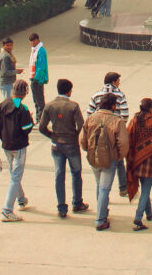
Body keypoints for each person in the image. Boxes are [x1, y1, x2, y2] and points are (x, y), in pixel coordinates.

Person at [38, 78, 88, 218]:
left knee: (59, 175)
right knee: (76, 173)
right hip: (71, 144)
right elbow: (81, 125)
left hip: (56, 145)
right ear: (68, 90)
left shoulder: (49, 106)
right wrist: (76, 137)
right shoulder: (73, 106)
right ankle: (77, 202)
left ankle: (61, 207)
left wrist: (52, 136)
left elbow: (42, 127)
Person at [80, 93, 129, 231]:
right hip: (109, 159)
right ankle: (100, 219)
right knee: (104, 188)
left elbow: (82, 139)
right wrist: (119, 156)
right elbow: (124, 143)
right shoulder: (117, 121)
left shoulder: (91, 118)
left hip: (94, 158)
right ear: (113, 106)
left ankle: (102, 212)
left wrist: (88, 150)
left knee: (99, 185)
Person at [0, 79, 34, 222]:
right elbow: (26, 129)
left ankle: (21, 199)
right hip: (19, 147)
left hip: (6, 146)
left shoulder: (2, 105)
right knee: (16, 176)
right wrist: (31, 121)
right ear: (24, 93)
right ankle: (7, 210)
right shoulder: (23, 109)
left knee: (14, 174)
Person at [86, 72, 129, 197]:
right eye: (118, 80)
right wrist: (118, 126)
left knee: (99, 160)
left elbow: (89, 114)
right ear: (114, 82)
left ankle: (101, 195)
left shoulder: (96, 95)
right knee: (119, 161)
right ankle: (123, 187)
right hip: (115, 132)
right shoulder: (120, 95)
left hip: (97, 134)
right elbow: (125, 115)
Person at [126, 98, 152, 231]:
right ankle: (138, 218)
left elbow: (128, 138)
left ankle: (149, 213)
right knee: (146, 190)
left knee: (145, 189)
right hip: (150, 160)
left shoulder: (134, 121)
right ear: (151, 109)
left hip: (136, 160)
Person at [27, 33, 48, 114]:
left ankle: (41, 118)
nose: (32, 43)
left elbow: (41, 66)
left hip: (38, 79)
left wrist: (36, 78)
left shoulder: (41, 51)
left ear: (37, 40)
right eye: (30, 42)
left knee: (39, 100)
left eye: (33, 41)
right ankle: (38, 116)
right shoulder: (34, 50)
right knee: (35, 99)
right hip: (33, 77)